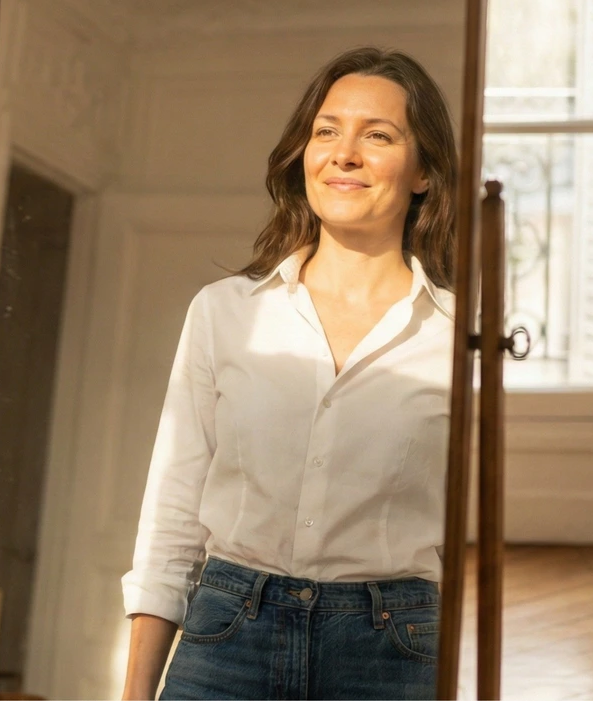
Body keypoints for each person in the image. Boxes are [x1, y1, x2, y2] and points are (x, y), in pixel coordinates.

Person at [120, 47, 459, 701]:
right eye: (327, 130)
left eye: (377, 135)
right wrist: (135, 693)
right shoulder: (224, 313)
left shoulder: (458, 336)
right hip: (226, 636)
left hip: (396, 652)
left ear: (423, 172)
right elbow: (173, 517)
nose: (344, 154)